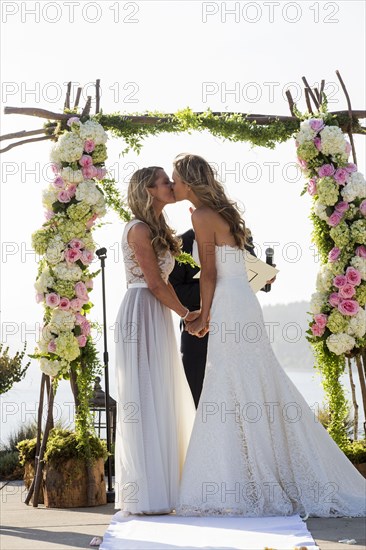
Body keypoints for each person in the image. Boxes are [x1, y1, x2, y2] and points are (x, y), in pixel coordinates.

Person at [171, 153, 366, 518]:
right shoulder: (224, 212)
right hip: (244, 302)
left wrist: (203, 316)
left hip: (228, 304)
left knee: (230, 383)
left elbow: (209, 274)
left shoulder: (199, 216)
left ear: (189, 181)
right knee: (252, 382)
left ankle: (239, 481)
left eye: (176, 179)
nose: (173, 185)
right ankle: (249, 475)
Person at [114, 166, 197, 515]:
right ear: (148, 189)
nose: (171, 185)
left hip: (157, 314)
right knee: (143, 398)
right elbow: (154, 283)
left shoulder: (159, 228)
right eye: (165, 181)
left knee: (161, 394)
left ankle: (167, 488)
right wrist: (187, 313)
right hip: (140, 312)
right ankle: (146, 495)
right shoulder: (137, 229)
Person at [169, 224, 275, 408]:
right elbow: (174, 290)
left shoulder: (240, 236)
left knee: (240, 395)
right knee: (197, 396)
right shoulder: (182, 243)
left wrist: (266, 278)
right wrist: (212, 288)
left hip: (237, 327)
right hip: (197, 333)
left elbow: (252, 275)